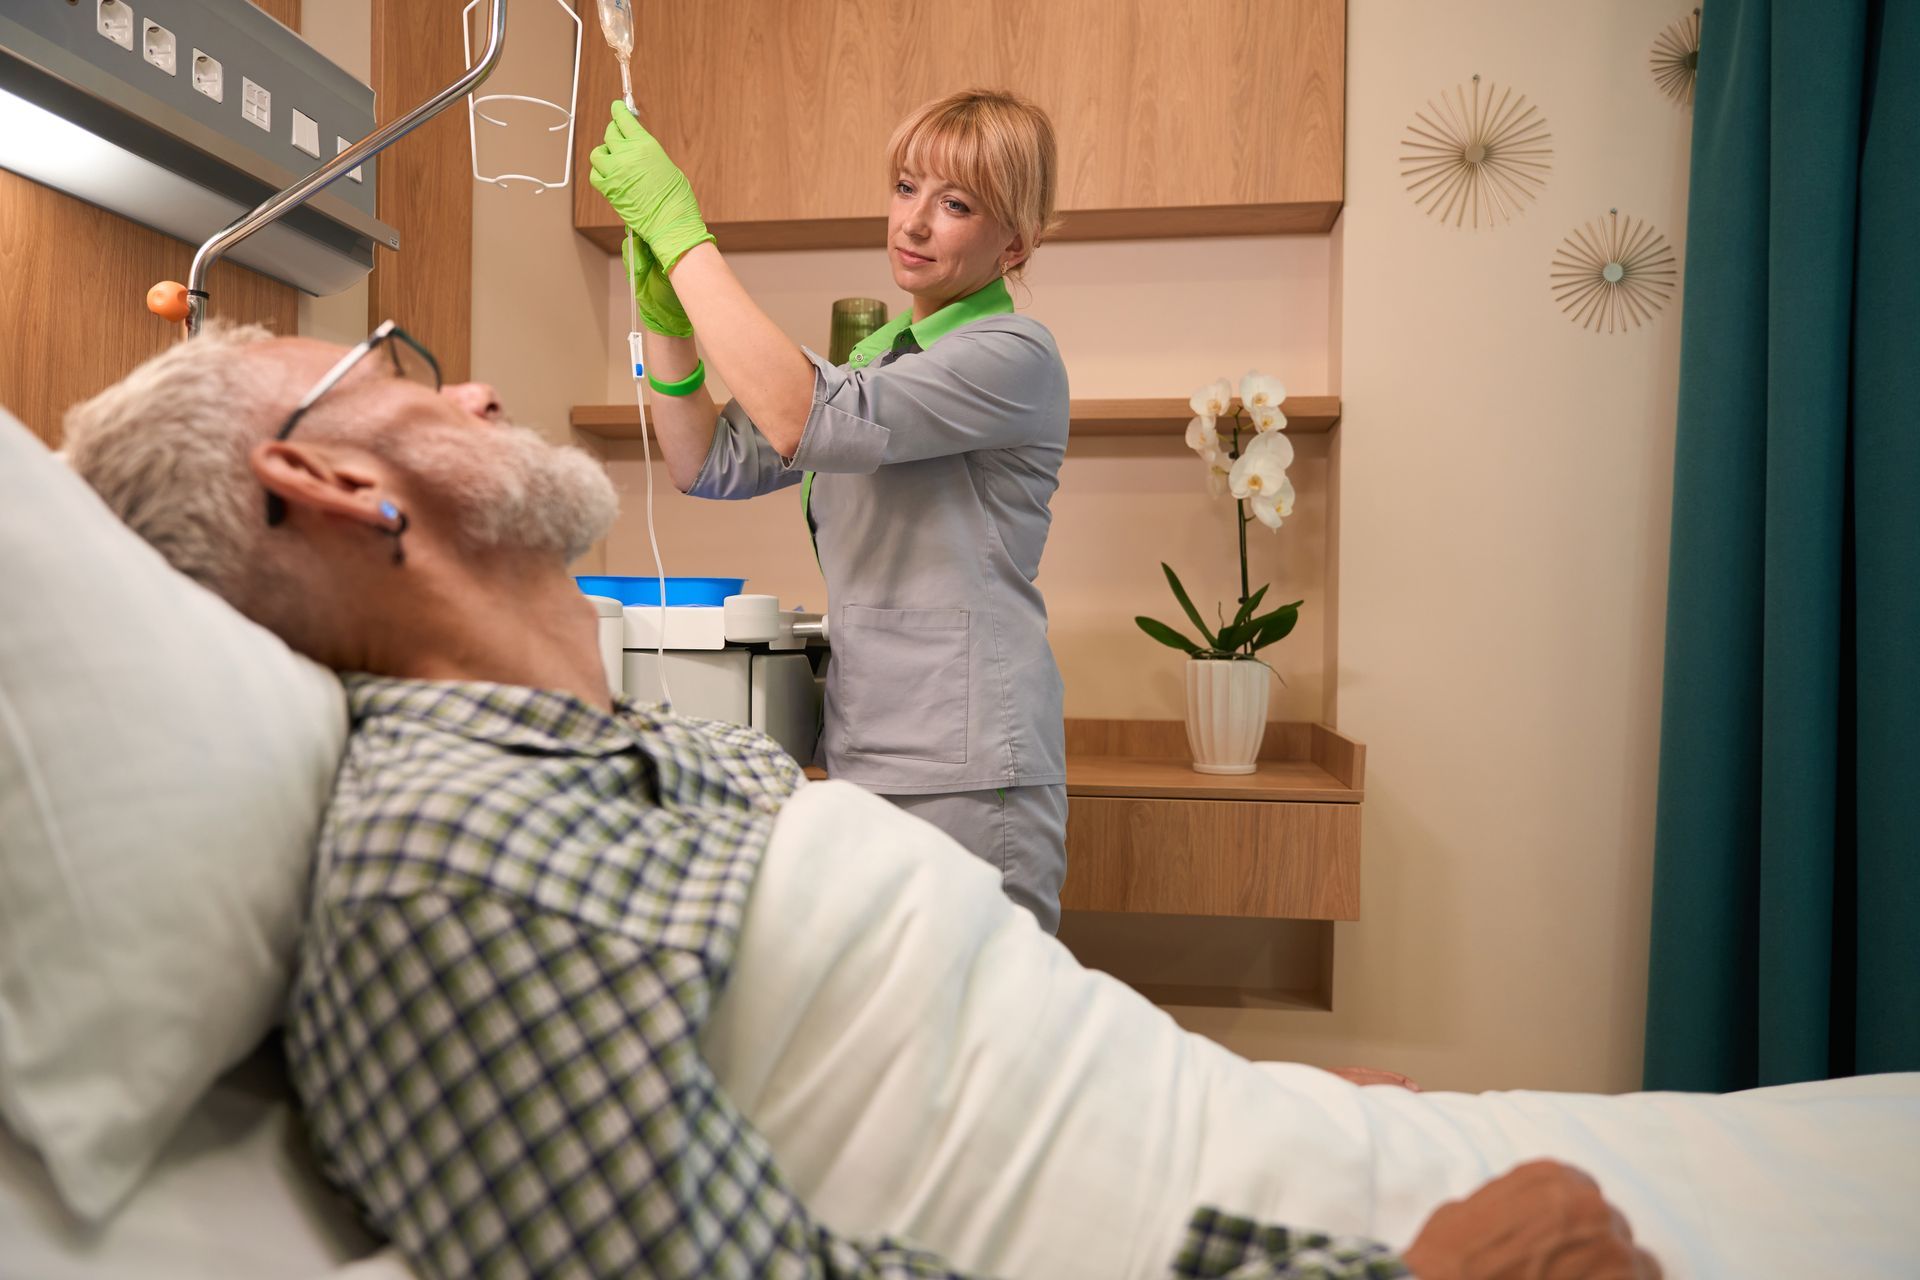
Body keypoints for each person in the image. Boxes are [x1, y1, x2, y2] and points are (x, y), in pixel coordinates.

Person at [57, 325, 1669, 1279]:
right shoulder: (454, 874)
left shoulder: (610, 760)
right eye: (388, 367)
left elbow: (943, 1049)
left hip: (1286, 1152)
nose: (470, 386)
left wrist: (1263, 1097)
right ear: (330, 485)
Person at [588, 89, 1072, 933]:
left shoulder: (1012, 354)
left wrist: (683, 236)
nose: (914, 223)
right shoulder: (885, 353)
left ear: (1015, 241)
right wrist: (666, 319)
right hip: (867, 747)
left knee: (971, 1038)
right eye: (906, 188)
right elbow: (706, 462)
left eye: (955, 204)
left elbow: (798, 413)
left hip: (963, 769)